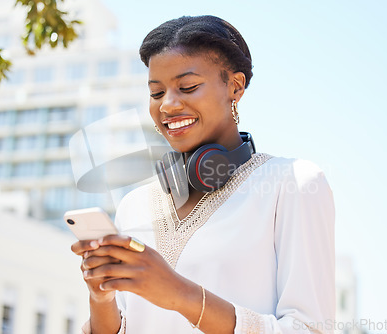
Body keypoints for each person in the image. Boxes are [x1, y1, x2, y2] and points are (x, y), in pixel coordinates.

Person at [71, 15, 335, 334]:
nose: (167, 105)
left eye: (188, 87)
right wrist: (101, 300)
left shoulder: (293, 183)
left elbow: (310, 329)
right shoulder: (134, 205)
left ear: (235, 87)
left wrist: (183, 296)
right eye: (156, 93)